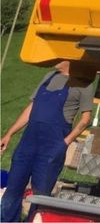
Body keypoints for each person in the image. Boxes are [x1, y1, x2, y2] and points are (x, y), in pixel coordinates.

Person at [0, 61, 94, 222]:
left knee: (40, 196)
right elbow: (31, 108)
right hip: (28, 143)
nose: (53, 61)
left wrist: (65, 142)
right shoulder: (49, 76)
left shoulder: (84, 85)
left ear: (68, 61)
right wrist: (9, 134)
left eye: (58, 58)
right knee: (13, 189)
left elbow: (85, 119)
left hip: (52, 147)